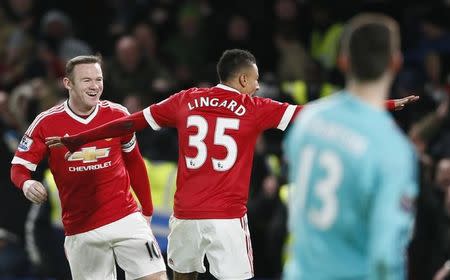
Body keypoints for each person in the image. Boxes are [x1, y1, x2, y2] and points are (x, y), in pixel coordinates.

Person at [45, 49, 417, 280]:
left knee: (182, 274)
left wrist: (79, 138)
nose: (257, 88)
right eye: (254, 81)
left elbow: (130, 123)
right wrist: (381, 105)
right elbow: (318, 116)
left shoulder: (186, 99)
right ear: (242, 78)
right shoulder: (255, 108)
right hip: (226, 217)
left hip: (186, 214)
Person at [283, 13, 418, 279]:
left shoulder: (309, 121)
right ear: (396, 62)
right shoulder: (394, 150)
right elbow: (385, 255)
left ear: (343, 62)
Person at [10, 55, 167, 280]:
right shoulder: (46, 122)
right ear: (68, 84)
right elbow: (19, 167)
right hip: (81, 229)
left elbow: (134, 161)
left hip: (126, 217)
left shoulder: (117, 114)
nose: (95, 86)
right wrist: (26, 183)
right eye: (86, 80)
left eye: (99, 79)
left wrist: (148, 211)